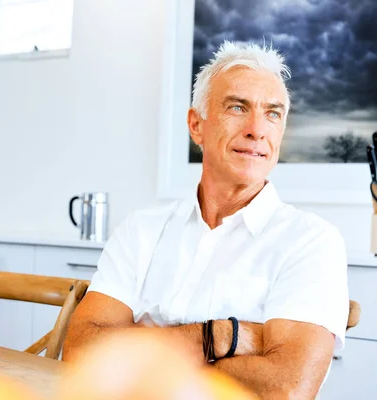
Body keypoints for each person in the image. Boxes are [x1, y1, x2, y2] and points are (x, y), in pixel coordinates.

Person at [63, 40, 349, 399]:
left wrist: (137, 347)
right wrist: (219, 336)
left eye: (273, 114)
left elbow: (284, 389)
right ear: (196, 126)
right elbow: (79, 352)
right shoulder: (141, 231)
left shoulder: (311, 242)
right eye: (237, 107)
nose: (257, 130)